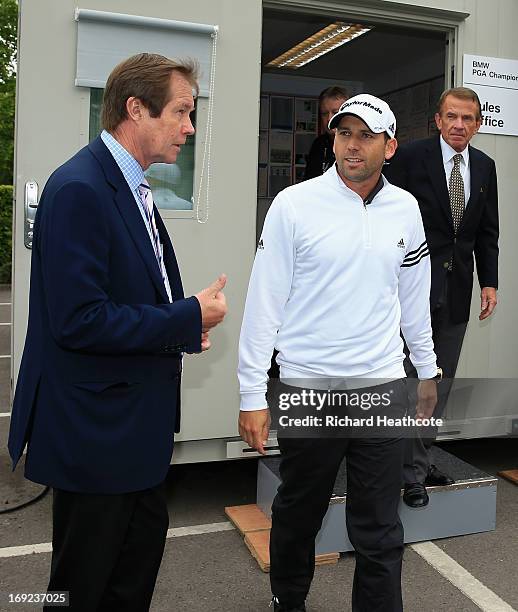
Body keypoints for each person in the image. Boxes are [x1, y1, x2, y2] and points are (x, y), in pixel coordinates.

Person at [8, 53, 227, 611]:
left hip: (133, 438)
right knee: (80, 590)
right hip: (97, 438)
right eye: (181, 111)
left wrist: (181, 325)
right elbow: (79, 320)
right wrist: (184, 317)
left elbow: (132, 294)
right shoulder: (81, 187)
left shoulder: (132, 186)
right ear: (136, 108)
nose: (189, 126)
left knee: (129, 583)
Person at [238, 94, 439, 612]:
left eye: (366, 135)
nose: (353, 145)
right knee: (299, 513)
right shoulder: (295, 205)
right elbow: (264, 303)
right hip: (308, 389)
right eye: (344, 133)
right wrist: (251, 392)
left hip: (382, 388)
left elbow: (414, 300)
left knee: (379, 526)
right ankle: (289, 600)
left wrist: (427, 370)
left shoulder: (406, 209)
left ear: (390, 147)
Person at [384, 86, 499, 508]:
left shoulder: (485, 167)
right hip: (408, 290)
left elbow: (488, 232)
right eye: (452, 117)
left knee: (438, 383)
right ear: (437, 120)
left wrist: (490, 282)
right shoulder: (411, 158)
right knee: (406, 379)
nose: (459, 125)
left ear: (478, 124)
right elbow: (384, 212)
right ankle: (394, 466)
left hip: (456, 293)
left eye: (468, 119)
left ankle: (417, 465)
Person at [304, 86, 348, 179]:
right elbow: (309, 179)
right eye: (324, 114)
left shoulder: (357, 144)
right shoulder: (318, 143)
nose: (329, 119)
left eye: (335, 113)